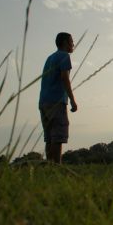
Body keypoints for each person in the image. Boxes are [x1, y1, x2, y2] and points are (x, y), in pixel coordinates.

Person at [39, 32, 78, 163]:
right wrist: (72, 100)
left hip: (44, 102)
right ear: (65, 43)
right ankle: (56, 167)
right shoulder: (64, 56)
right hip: (56, 102)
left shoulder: (50, 58)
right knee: (58, 136)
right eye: (71, 41)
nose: (73, 44)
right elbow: (64, 78)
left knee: (49, 138)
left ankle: (50, 167)